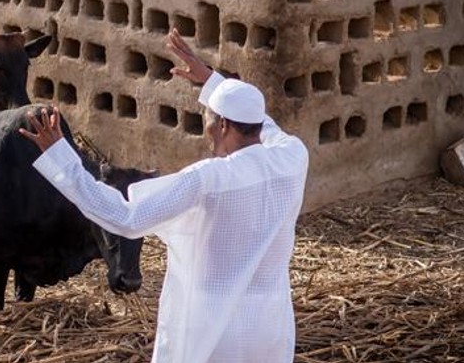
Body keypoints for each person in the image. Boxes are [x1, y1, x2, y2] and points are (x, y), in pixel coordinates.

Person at [19, 28, 309, 363]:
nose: (208, 134)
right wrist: (213, 83)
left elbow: (126, 218)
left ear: (224, 126)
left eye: (209, 124)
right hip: (269, 331)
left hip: (213, 335)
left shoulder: (209, 180)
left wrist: (61, 158)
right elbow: (261, 124)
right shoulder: (292, 157)